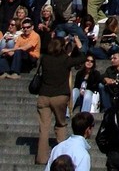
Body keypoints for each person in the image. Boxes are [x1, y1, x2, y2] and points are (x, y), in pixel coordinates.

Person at [36, 34, 86, 165]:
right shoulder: (65, 59)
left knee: (44, 128)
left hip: (44, 96)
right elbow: (82, 58)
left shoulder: (44, 58)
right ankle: (62, 159)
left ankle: (41, 158)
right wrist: (78, 45)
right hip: (60, 96)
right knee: (61, 124)